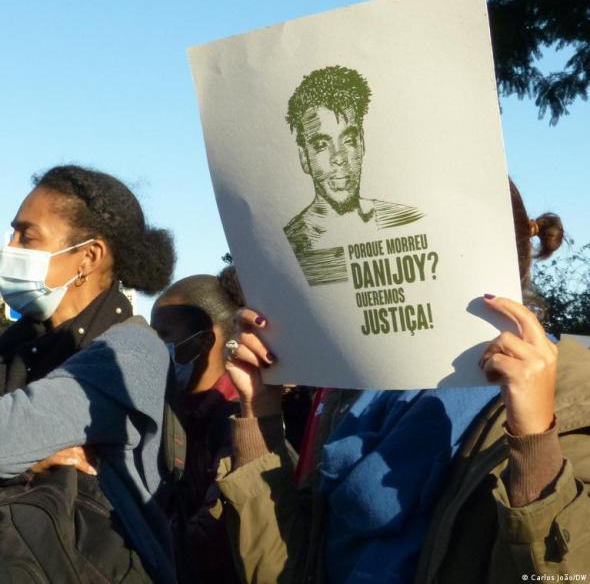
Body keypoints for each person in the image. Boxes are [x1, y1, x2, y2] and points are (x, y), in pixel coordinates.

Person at [217, 181, 590, 582]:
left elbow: (565, 575)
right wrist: (259, 412)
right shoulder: (356, 386)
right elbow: (291, 567)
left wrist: (535, 441)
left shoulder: (571, 399)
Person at [0, 165, 177, 583]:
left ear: (88, 256)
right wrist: (28, 463)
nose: (10, 246)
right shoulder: (23, 342)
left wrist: (17, 461)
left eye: (27, 236)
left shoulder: (129, 353)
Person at [284, 66, 424, 286]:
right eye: (321, 145)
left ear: (362, 143)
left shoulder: (408, 219)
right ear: (304, 158)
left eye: (348, 140)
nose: (338, 157)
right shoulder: (285, 246)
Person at [150, 268, 244, 584]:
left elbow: (210, 533)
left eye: (163, 335)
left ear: (204, 340)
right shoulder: (170, 404)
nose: (154, 347)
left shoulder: (238, 418)